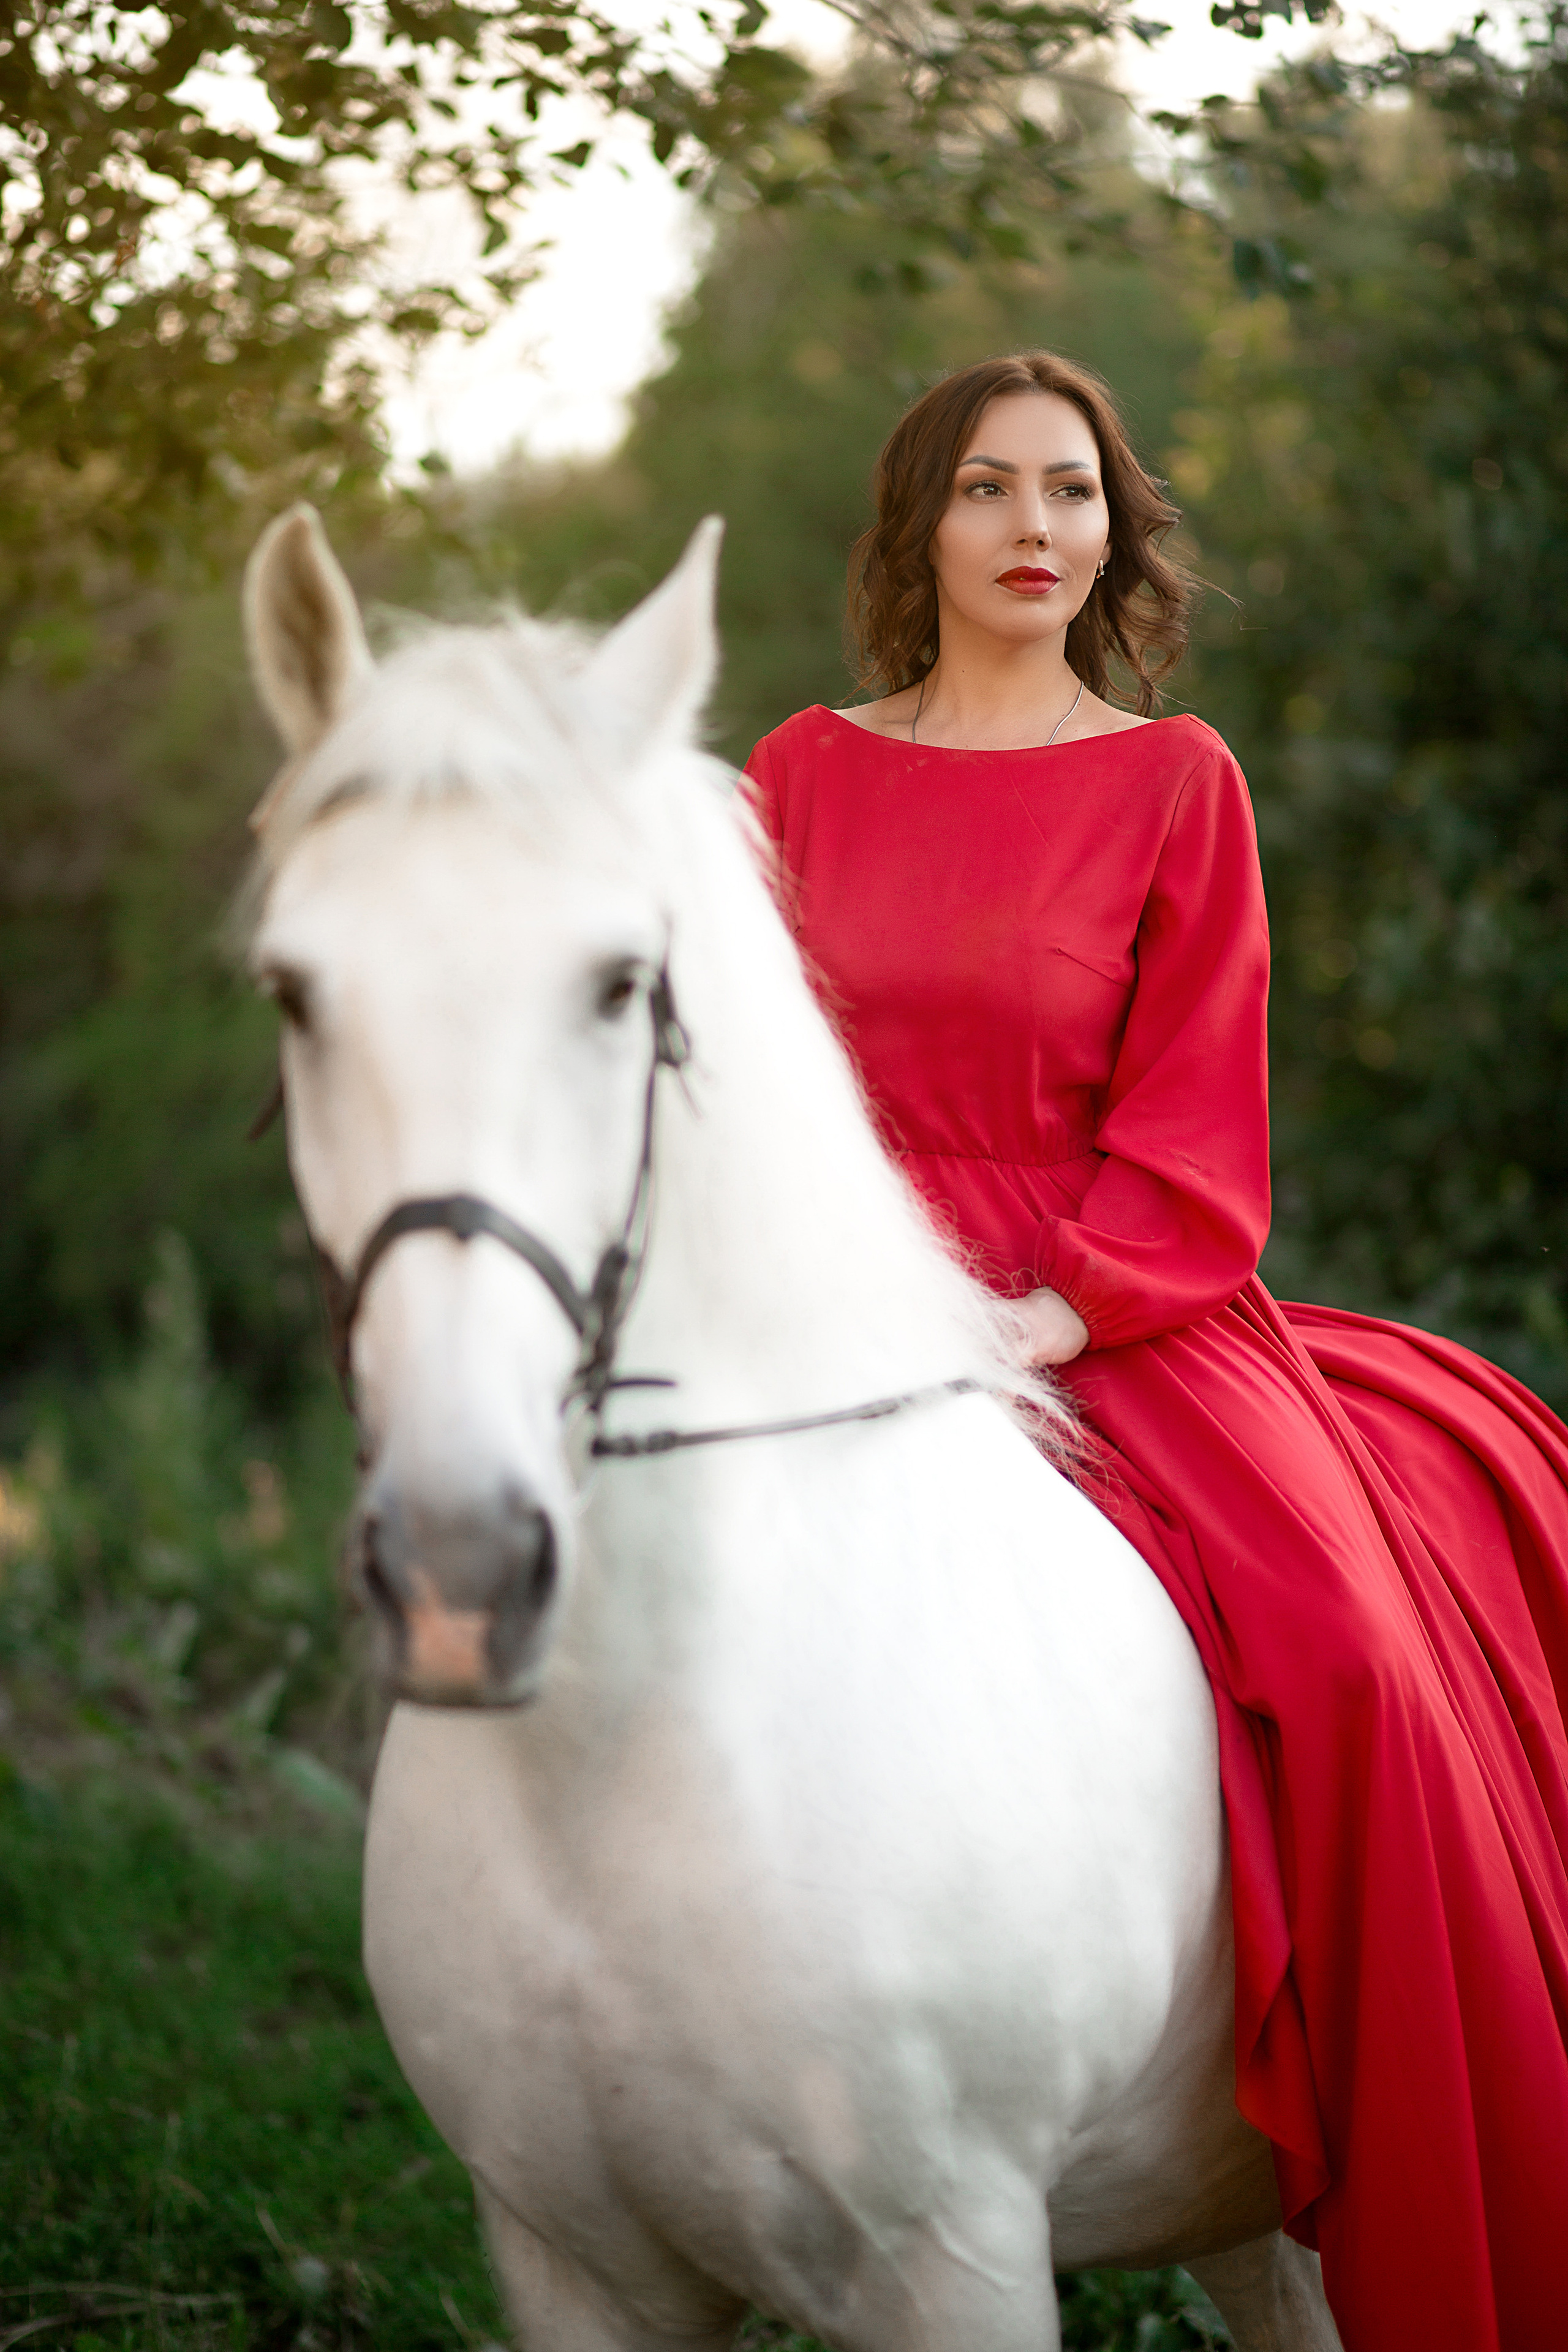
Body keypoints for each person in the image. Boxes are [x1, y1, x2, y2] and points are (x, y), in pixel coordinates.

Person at [742, 351, 1568, 2352]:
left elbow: (1199, 1140)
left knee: (1363, 1663)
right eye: (990, 490)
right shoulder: (798, 773)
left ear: (1115, 531)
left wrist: (1042, 1315)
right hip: (824, 1297)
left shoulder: (1176, 778)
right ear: (917, 525)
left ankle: (1421, 2159)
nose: (1038, 528)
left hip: (1111, 1300)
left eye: (1076, 492)